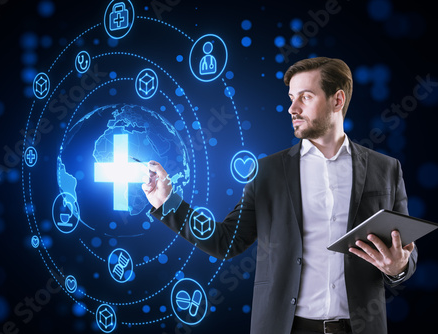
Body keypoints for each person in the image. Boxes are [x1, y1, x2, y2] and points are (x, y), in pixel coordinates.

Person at [141, 57, 417, 334]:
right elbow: (226, 242)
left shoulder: (386, 169)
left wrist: (399, 267)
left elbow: (404, 250)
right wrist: (168, 203)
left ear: (337, 100)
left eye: (305, 97)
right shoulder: (267, 172)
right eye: (291, 98)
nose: (292, 108)